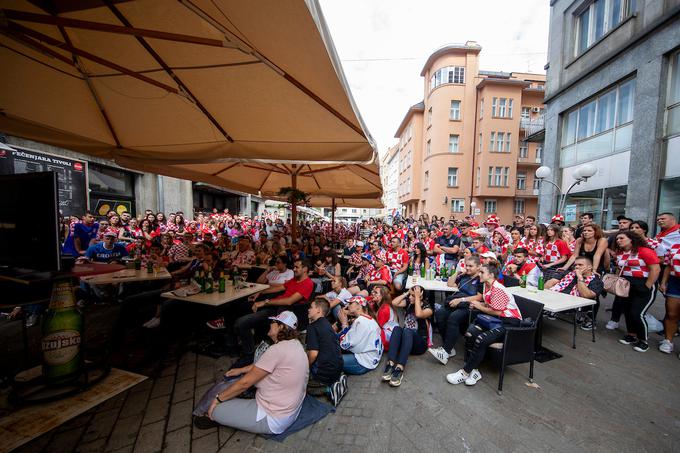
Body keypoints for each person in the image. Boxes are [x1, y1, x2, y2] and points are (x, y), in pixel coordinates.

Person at [200, 311, 308, 434]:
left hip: (273, 418)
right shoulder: (295, 344)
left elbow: (244, 383)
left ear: (281, 326)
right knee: (232, 393)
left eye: (273, 322)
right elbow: (262, 365)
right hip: (290, 410)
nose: (270, 324)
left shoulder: (277, 350)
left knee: (216, 410)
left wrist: (217, 400)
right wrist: (241, 370)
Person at [446, 264, 522, 386]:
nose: (479, 274)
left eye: (482, 272)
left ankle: (464, 373)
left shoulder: (498, 289)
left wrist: (479, 306)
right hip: (496, 320)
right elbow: (491, 306)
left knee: (481, 339)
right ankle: (474, 370)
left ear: (491, 275)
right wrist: (478, 303)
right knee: (471, 332)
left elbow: (497, 311)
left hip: (510, 323)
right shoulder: (487, 286)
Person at [232, 259, 314, 367]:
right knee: (238, 308)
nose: (294, 269)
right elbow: (279, 287)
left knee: (241, 323)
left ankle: (249, 354)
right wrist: (260, 291)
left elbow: (289, 301)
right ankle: (235, 343)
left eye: (296, 267)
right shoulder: (294, 279)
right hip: (274, 306)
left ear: (305, 269)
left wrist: (265, 302)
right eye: (294, 267)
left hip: (281, 312)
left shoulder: (308, 283)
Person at [429, 255, 483, 364]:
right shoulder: (464, 276)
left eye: (471, 266)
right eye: (466, 265)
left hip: (470, 306)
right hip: (457, 303)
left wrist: (461, 300)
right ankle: (449, 347)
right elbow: (450, 283)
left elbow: (480, 297)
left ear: (478, 267)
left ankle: (445, 351)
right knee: (440, 313)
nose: (467, 268)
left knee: (454, 317)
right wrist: (457, 272)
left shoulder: (481, 279)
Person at [612, 231, 660, 352]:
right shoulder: (620, 253)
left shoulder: (644, 251)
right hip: (627, 286)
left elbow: (655, 269)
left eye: (621, 238)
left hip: (643, 285)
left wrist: (647, 285)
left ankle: (643, 340)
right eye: (617, 239)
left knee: (637, 313)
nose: (618, 240)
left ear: (631, 239)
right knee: (628, 311)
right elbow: (619, 268)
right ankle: (631, 335)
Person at [382, 285, 433, 387]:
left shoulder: (428, 308)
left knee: (408, 331)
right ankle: (390, 364)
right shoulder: (409, 303)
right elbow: (394, 303)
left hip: (419, 345)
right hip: (406, 342)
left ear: (420, 296)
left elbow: (419, 314)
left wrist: (417, 297)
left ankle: (399, 368)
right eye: (410, 295)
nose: (410, 297)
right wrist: (406, 293)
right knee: (397, 329)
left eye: (412, 296)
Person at [306, 298, 347, 406]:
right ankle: (338, 379)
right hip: (338, 366)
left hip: (324, 371)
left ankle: (329, 389)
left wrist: (305, 366)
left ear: (318, 310)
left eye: (311, 307)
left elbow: (313, 354)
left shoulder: (312, 327)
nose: (308, 310)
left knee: (302, 385)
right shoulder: (327, 323)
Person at [545, 256, 604, 330]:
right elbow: (549, 283)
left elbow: (586, 295)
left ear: (589, 267)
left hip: (575, 305)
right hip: (556, 300)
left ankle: (587, 319)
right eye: (575, 265)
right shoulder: (568, 273)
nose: (576, 267)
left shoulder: (596, 281)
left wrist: (580, 277)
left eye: (580, 265)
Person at [337, 296, 382, 375]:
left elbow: (346, 344)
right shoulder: (367, 318)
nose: (348, 305)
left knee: (330, 360)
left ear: (359, 306)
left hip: (363, 363)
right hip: (370, 359)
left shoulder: (360, 321)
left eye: (351, 303)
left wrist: (344, 323)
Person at [660, 242, 680, 355]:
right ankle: (668, 341)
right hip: (675, 282)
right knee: (671, 313)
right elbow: (668, 266)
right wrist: (663, 282)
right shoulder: (674, 246)